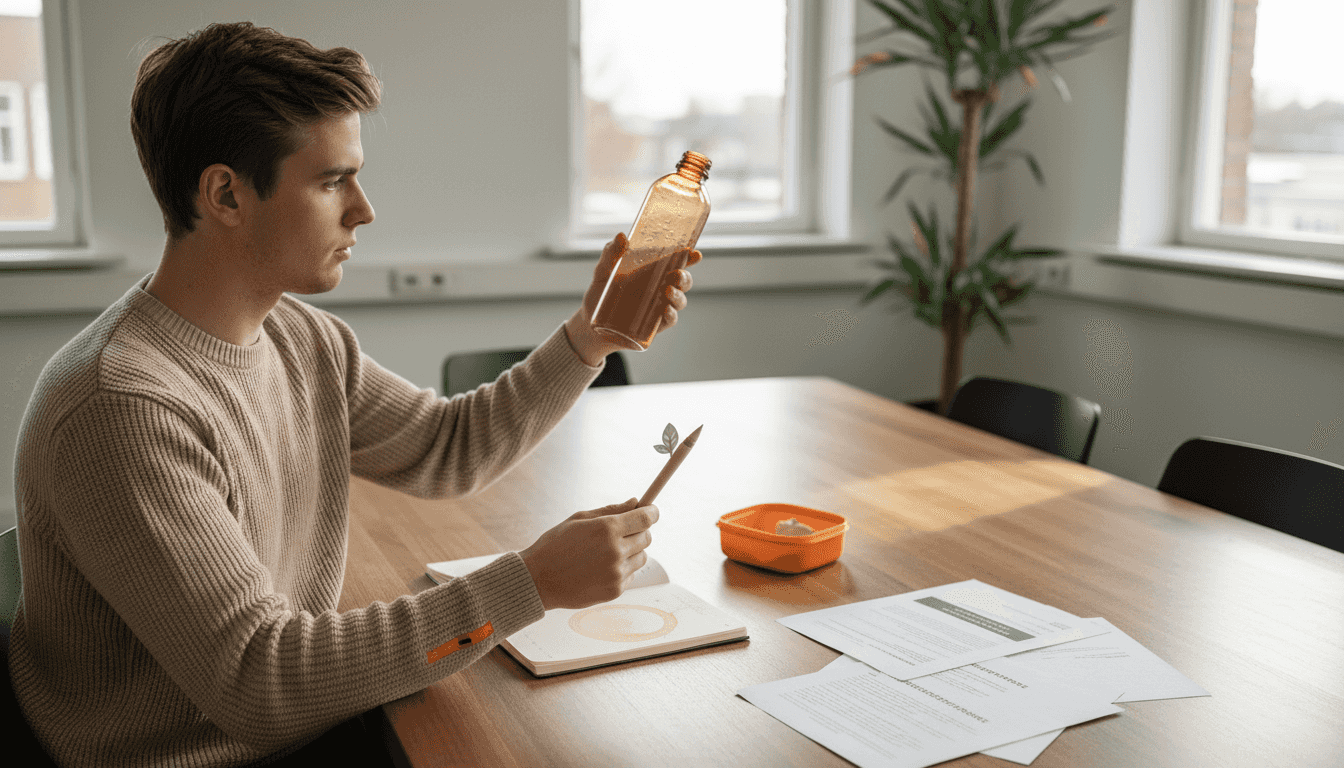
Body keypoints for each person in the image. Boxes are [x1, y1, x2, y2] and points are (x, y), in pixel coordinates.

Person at [8, 21, 700, 767]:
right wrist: (529, 582)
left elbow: (447, 449)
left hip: (297, 728)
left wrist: (589, 337)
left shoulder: (302, 339)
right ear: (225, 195)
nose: (364, 209)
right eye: (333, 180)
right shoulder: (122, 407)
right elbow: (261, 681)